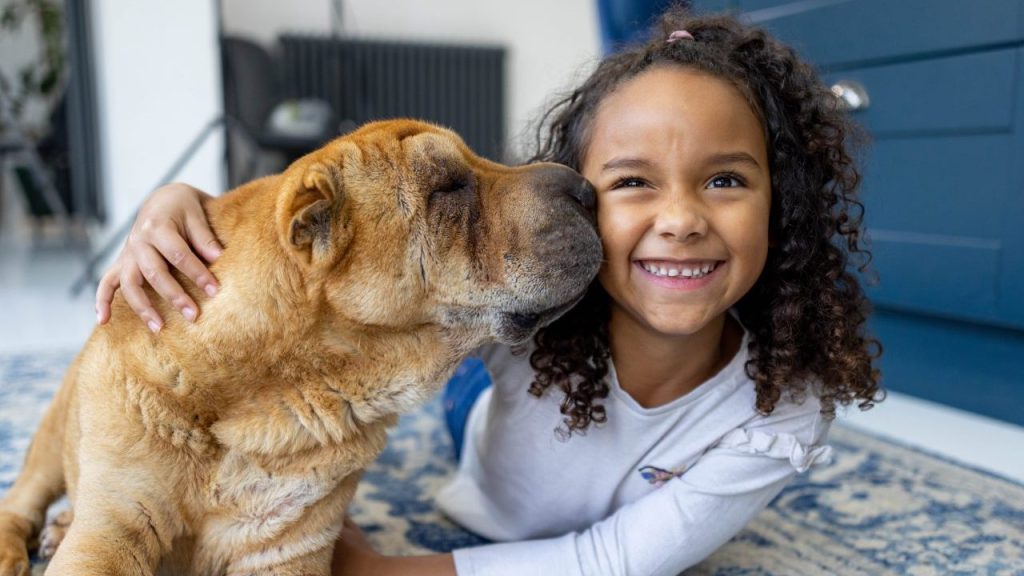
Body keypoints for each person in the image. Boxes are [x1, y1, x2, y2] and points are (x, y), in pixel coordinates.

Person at [95, 7, 883, 575]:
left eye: (724, 179)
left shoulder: (785, 407)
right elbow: (300, 294)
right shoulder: (537, 307)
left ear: (785, 203)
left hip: (519, 401)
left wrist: (380, 573)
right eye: (633, 181)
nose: (679, 220)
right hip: (482, 397)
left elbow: (611, 559)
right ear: (584, 200)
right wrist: (185, 205)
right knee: (395, 352)